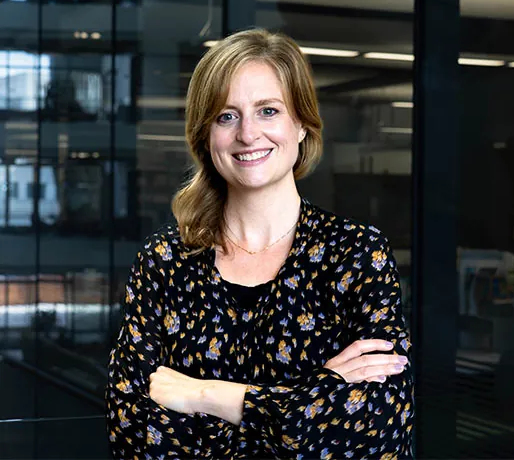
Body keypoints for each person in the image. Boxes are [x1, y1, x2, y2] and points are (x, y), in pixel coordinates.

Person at [105, 28, 414, 459]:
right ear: (205, 135)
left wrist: (205, 395)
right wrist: (314, 398)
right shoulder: (165, 260)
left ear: (301, 124)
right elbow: (132, 431)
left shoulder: (356, 254)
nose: (248, 134)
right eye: (226, 117)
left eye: (268, 111)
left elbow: (376, 429)